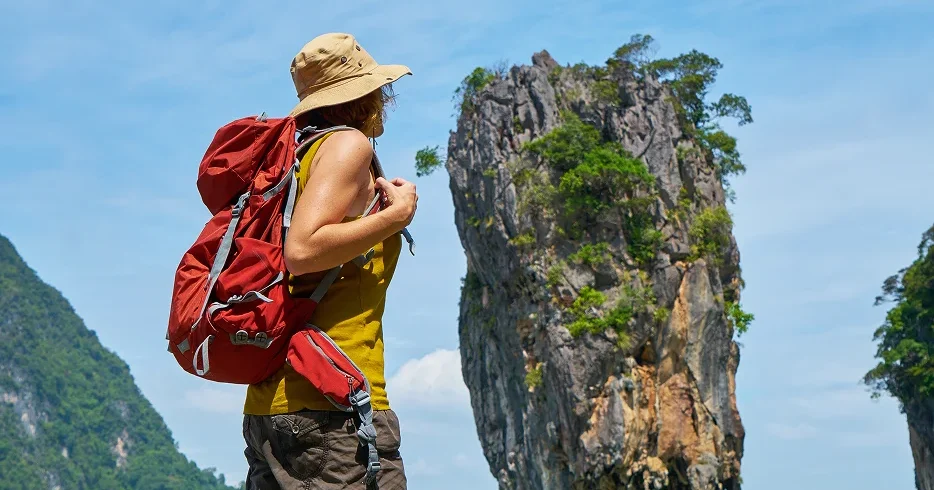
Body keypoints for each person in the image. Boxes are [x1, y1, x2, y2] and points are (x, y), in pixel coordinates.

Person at [241, 32, 417, 490]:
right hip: (333, 407)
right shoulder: (347, 145)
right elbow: (303, 250)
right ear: (364, 96)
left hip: (275, 406)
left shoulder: (297, 156)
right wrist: (396, 216)